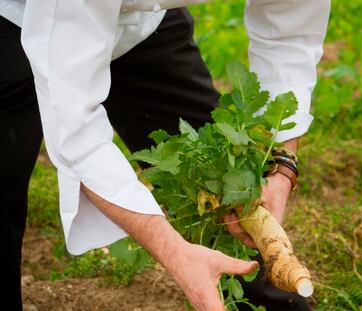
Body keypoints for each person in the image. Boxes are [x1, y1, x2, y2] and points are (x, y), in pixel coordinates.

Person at [0, 0, 330, 310]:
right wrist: (175, 252)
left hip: (145, 19)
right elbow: (76, 136)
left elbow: (291, 31)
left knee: (218, 177)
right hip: (19, 16)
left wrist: (283, 165)